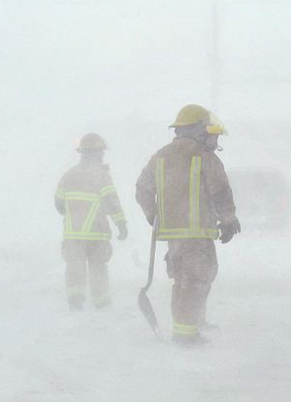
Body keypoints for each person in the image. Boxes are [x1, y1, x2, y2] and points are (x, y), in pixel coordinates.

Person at [135, 104, 240, 344]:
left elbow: (142, 188)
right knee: (197, 280)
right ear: (198, 130)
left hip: (173, 235)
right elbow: (221, 191)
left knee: (184, 280)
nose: (214, 140)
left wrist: (152, 214)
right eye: (211, 134)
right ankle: (186, 334)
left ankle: (194, 323)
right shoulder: (204, 157)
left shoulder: (160, 156)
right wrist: (228, 220)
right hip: (197, 234)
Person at [55, 133, 128, 311]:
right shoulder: (101, 175)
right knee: (98, 266)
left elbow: (58, 203)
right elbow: (112, 202)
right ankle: (101, 302)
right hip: (96, 232)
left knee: (75, 266)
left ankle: (75, 299)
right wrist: (121, 224)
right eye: (101, 152)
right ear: (98, 152)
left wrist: (73, 214)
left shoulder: (69, 175)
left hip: (73, 233)